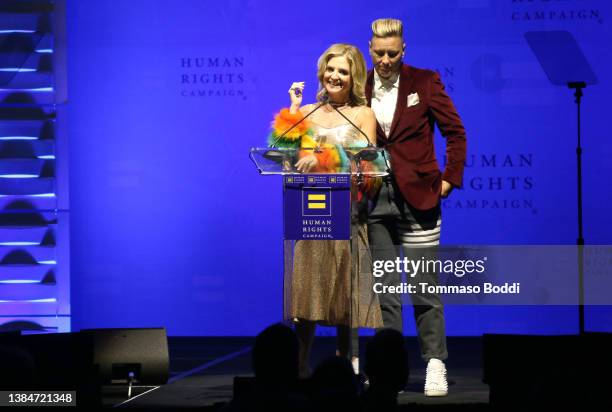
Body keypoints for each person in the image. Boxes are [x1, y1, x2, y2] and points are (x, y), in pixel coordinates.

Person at [364, 18, 467, 396]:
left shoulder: (425, 81)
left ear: (403, 50)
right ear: (370, 49)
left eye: (393, 53)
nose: (386, 60)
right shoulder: (361, 85)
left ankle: (435, 363)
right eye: (379, 53)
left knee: (424, 286)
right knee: (384, 290)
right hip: (375, 200)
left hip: (421, 197)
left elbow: (455, 132)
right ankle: (386, 368)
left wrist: (449, 179)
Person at [267, 43, 384, 378]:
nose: (335, 76)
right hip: (311, 215)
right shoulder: (307, 113)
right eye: (330, 69)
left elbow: (370, 166)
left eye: (343, 71)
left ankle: (344, 367)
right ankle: (300, 366)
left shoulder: (364, 114)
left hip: (347, 214)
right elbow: (281, 154)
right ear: (322, 72)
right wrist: (293, 110)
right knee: (306, 298)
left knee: (345, 300)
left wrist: (330, 160)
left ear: (354, 77)